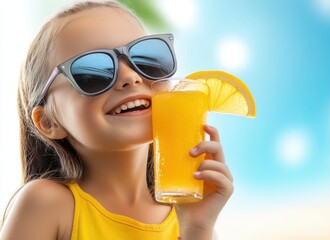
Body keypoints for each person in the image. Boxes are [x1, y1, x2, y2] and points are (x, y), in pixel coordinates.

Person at [0, 1, 233, 239]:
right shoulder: (46, 204)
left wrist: (197, 229)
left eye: (145, 59)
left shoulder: (189, 217)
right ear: (49, 122)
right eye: (92, 72)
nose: (130, 77)